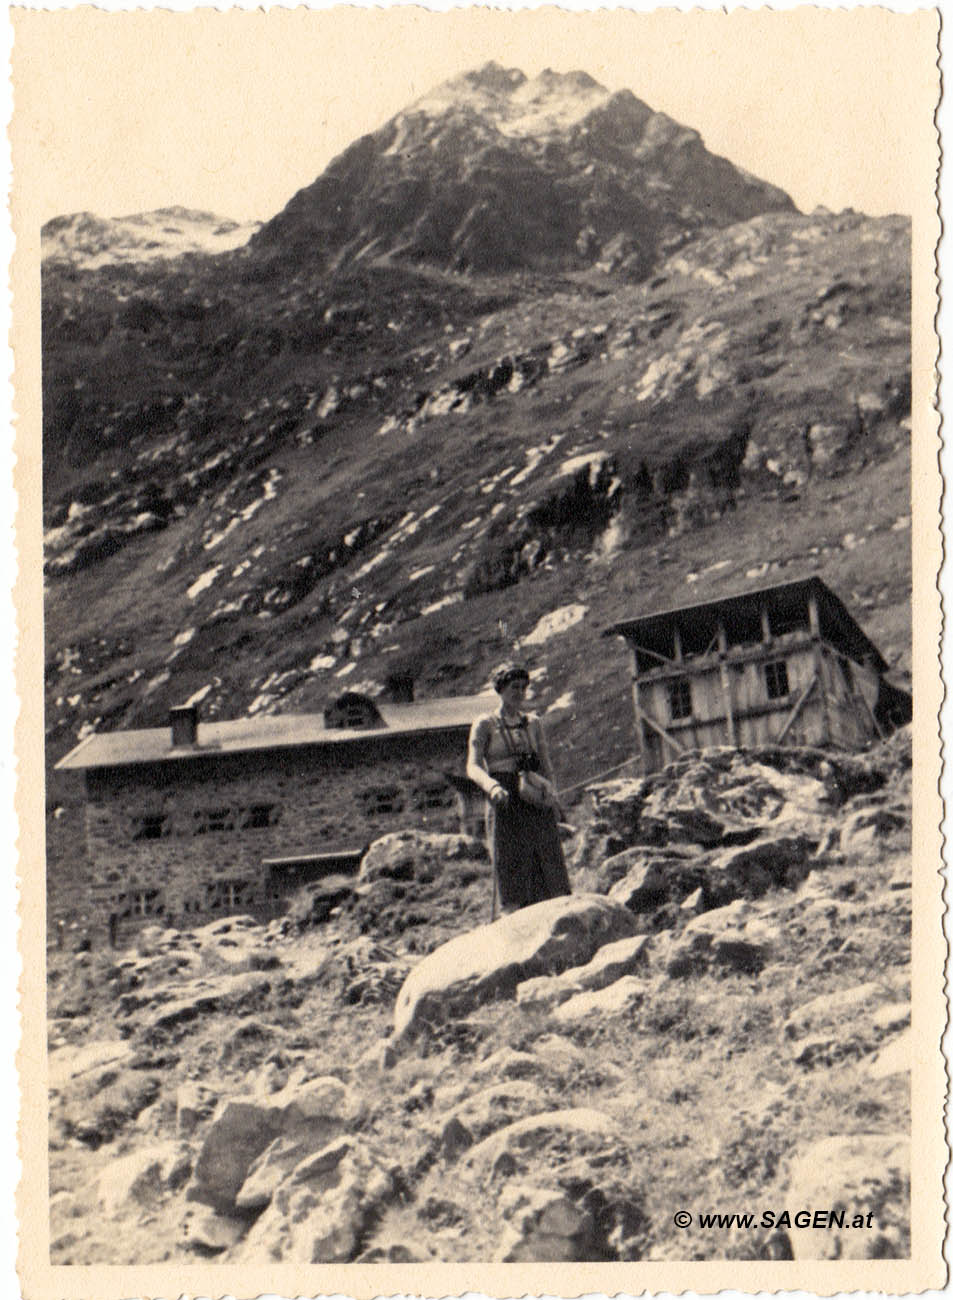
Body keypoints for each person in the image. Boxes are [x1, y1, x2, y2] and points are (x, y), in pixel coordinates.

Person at [467, 661, 571, 915]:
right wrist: (492, 787)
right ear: (500, 689)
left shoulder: (533, 723)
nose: (520, 693)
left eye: (524, 688)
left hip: (534, 794)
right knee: (510, 860)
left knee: (546, 856)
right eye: (514, 687)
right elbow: (472, 766)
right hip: (505, 799)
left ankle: (554, 912)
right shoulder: (485, 723)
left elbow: (546, 765)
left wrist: (553, 798)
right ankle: (512, 915)